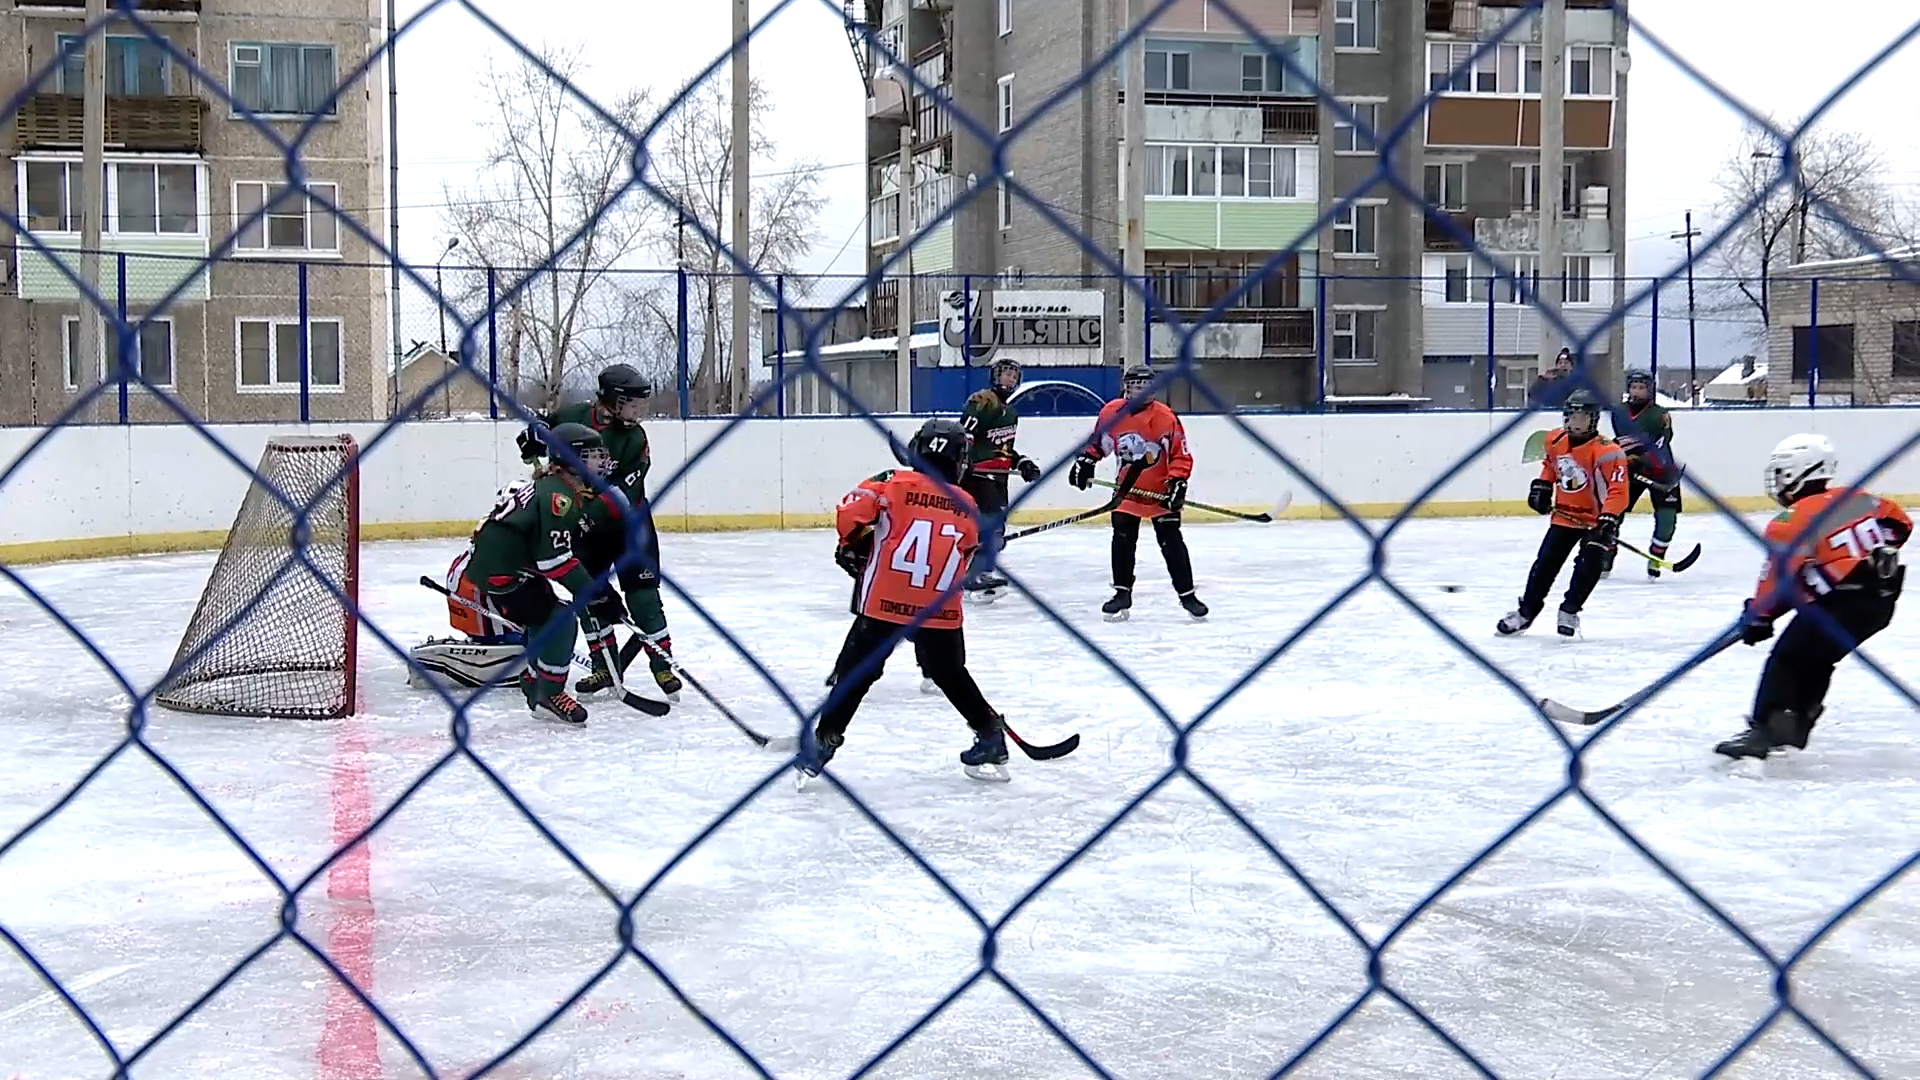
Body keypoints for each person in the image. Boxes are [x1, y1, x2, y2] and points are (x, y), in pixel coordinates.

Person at [799, 417, 1014, 784]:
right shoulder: (966, 503)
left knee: (857, 673)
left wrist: (854, 543)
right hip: (939, 608)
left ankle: (824, 741)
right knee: (950, 673)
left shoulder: (891, 482)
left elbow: (851, 515)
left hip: (887, 599)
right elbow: (970, 552)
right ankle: (990, 734)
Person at [1714, 434, 1910, 759]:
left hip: (1841, 603)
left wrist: (1759, 615)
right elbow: (1899, 523)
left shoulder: (1790, 521)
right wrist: (1865, 554)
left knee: (1788, 658)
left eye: (1780, 473)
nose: (1776, 481)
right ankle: (1797, 722)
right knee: (1818, 658)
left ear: (1797, 472)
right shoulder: (1856, 498)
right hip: (1879, 603)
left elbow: (1778, 577)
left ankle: (1763, 730)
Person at [521, 363, 682, 702]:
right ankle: (603, 666)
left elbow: (624, 494)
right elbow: (540, 432)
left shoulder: (635, 438)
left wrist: (582, 517)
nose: (638, 412)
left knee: (643, 597)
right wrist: (533, 438)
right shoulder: (573, 415)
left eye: (642, 405)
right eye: (632, 404)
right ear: (610, 399)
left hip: (630, 527)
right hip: (587, 529)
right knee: (590, 598)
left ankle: (662, 664)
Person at [463, 422, 615, 725]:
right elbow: (554, 562)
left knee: (541, 614)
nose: (601, 462)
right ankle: (549, 694)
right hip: (503, 572)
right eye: (594, 455)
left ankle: (535, 679)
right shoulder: (559, 497)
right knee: (561, 620)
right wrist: (596, 592)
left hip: (506, 564)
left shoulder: (557, 487)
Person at [1067, 363, 1206, 621]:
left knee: (1171, 542)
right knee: (1122, 539)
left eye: (1146, 386)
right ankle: (1122, 592)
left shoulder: (1165, 417)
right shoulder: (1111, 412)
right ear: (1126, 388)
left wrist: (1178, 482)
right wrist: (1086, 461)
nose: (1141, 392)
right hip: (1127, 490)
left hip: (1160, 491)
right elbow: (1098, 445)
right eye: (1136, 386)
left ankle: (1187, 595)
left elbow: (1180, 454)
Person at [1497, 389, 1628, 638]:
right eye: (1571, 416)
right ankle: (1526, 612)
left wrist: (1609, 517)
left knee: (1589, 565)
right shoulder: (1555, 440)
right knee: (1545, 564)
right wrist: (1543, 486)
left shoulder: (1608, 451)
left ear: (1594, 420)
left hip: (1598, 518)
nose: (1574, 423)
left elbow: (1618, 490)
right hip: (1565, 514)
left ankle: (1569, 610)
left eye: (1582, 418)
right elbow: (1550, 466)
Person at [407, 487, 538, 691]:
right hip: (473, 590)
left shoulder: (498, 523)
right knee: (534, 630)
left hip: (467, 583)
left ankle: (496, 642)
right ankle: (498, 645)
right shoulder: (506, 531)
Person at [956, 357, 1043, 599]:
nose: (1009, 379)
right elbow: (966, 435)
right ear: (994, 376)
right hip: (979, 476)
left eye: (1014, 376)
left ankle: (977, 573)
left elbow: (1001, 448)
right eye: (1005, 374)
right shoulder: (983, 401)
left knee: (994, 530)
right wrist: (963, 465)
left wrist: (1022, 462)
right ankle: (975, 575)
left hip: (998, 478)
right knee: (987, 527)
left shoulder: (1010, 412)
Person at [1605, 369, 1683, 579]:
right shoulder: (1619, 412)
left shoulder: (1660, 415)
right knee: (1613, 514)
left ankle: (1655, 560)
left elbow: (1662, 442)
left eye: (1642, 388)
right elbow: (1622, 440)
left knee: (1667, 520)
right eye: (1634, 387)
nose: (1637, 392)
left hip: (1661, 470)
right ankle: (1605, 557)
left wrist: (1641, 458)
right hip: (1630, 469)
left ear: (1650, 390)